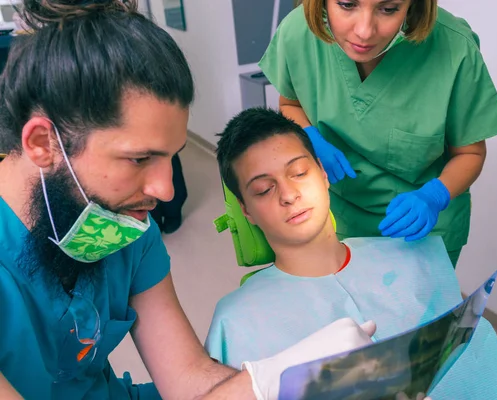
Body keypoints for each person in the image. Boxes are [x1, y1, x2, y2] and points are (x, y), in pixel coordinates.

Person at [0, 1, 378, 399]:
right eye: (140, 158)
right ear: (44, 144)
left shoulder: (125, 227)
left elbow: (185, 379)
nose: (164, 191)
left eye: (171, 155)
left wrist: (290, 381)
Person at [205, 108, 497, 399]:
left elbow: (481, 367)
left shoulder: (413, 259)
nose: (289, 194)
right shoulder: (236, 321)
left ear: (322, 172)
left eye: (299, 172)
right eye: (264, 189)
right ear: (247, 211)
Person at [258, 0, 497, 268]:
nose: (365, 31)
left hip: (422, 228)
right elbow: (290, 103)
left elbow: (470, 152)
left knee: (415, 310)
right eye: (347, 4)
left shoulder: (454, 50)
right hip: (338, 214)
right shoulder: (299, 30)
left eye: (389, 9)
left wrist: (434, 196)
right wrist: (310, 136)